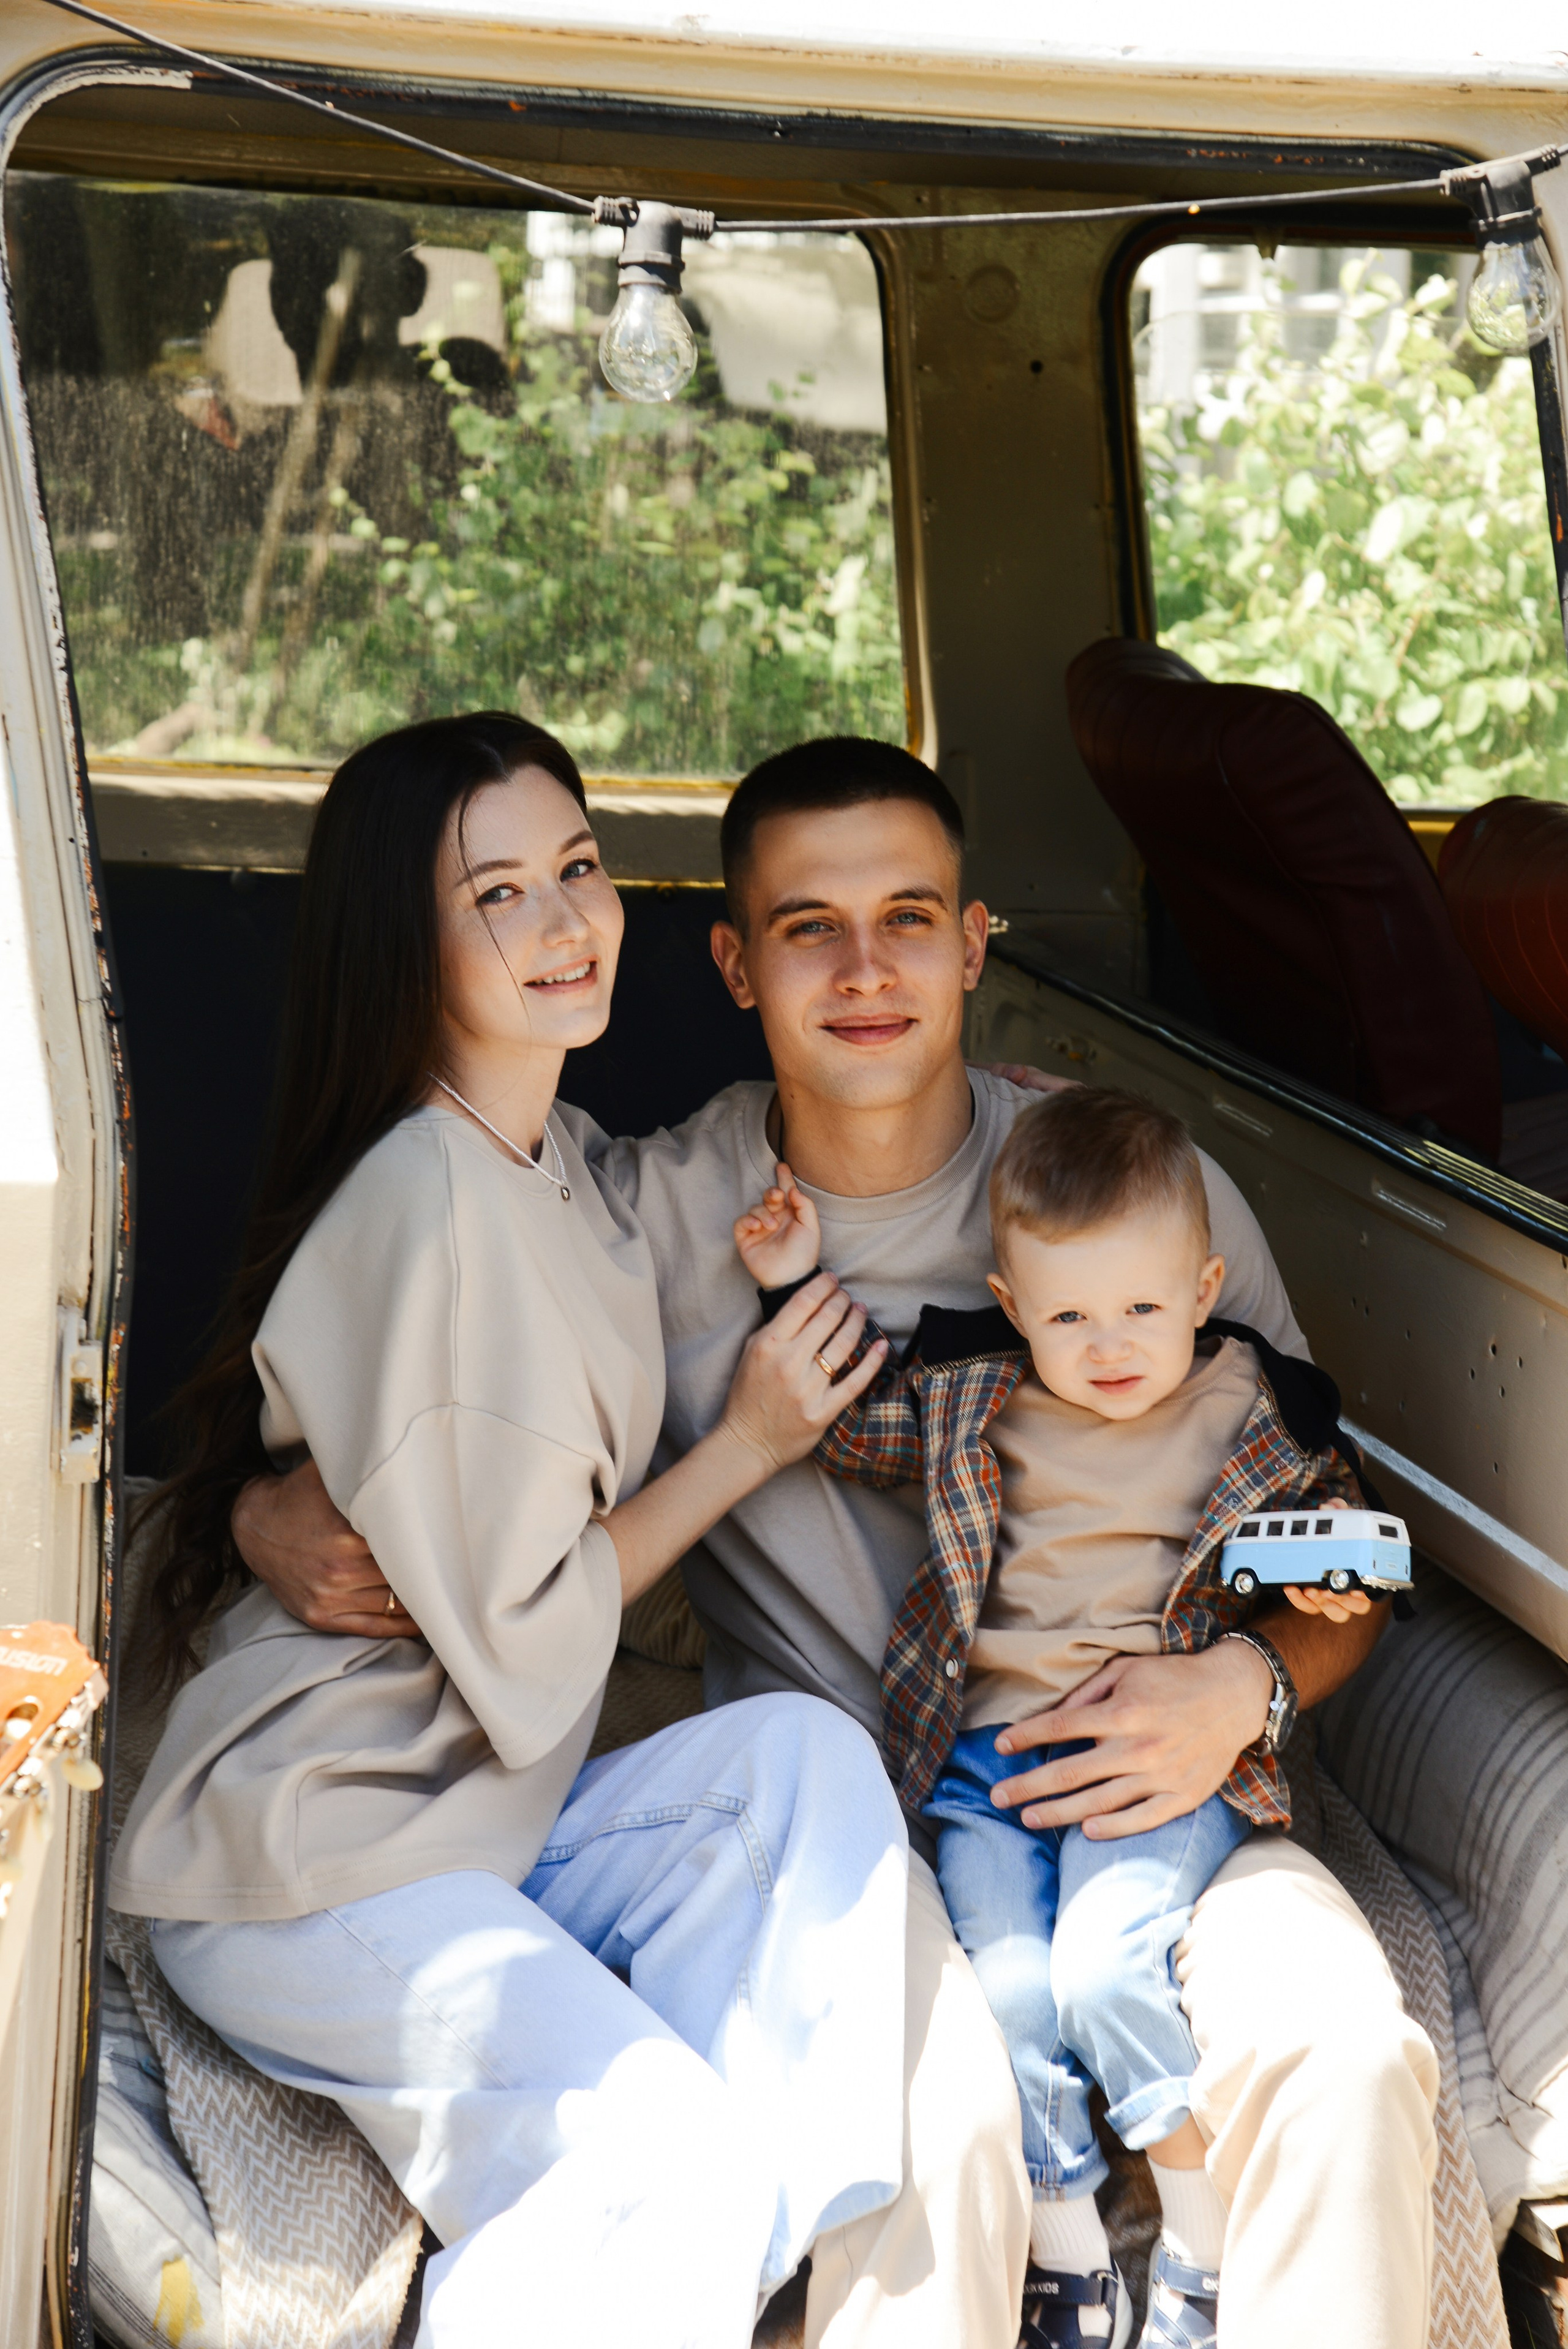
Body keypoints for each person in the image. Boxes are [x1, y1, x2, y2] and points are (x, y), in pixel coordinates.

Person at [234, 736, 1439, 2349]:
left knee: (1344, 2049)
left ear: (974, 940)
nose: (868, 970)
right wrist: (265, 1505)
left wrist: (1248, 1686)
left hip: (1169, 1793)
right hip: (856, 1851)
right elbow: (380, 1355)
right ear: (735, 960)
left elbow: (1350, 1539)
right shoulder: (644, 1216)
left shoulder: (1135, 1184)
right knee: (929, 2141)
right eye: (811, 926)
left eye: (909, 917)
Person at [110, 714, 914, 2349]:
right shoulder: (431, 1197)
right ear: (410, 941)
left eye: (581, 869)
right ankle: (678, 2218)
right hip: (316, 1842)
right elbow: (534, 1637)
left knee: (804, 1770)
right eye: (499, 894)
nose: (566, 924)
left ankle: (744, 2266)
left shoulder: (554, 1159)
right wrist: (752, 1439)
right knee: (643, 2146)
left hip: (459, 1799)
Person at [737, 1084, 1371, 2348]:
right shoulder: (975, 1389)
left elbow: (1339, 1523)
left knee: (1099, 1966)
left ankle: (1194, 2225)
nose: (1110, 1344)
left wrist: (1331, 1566)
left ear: (1201, 1288)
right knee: (1011, 1991)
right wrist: (787, 1285)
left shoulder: (1249, 1400)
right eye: (1068, 1314)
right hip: (988, 1759)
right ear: (1011, 1302)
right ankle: (1069, 2249)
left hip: (1162, 1764)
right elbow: (848, 1427)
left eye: (1142, 1308)